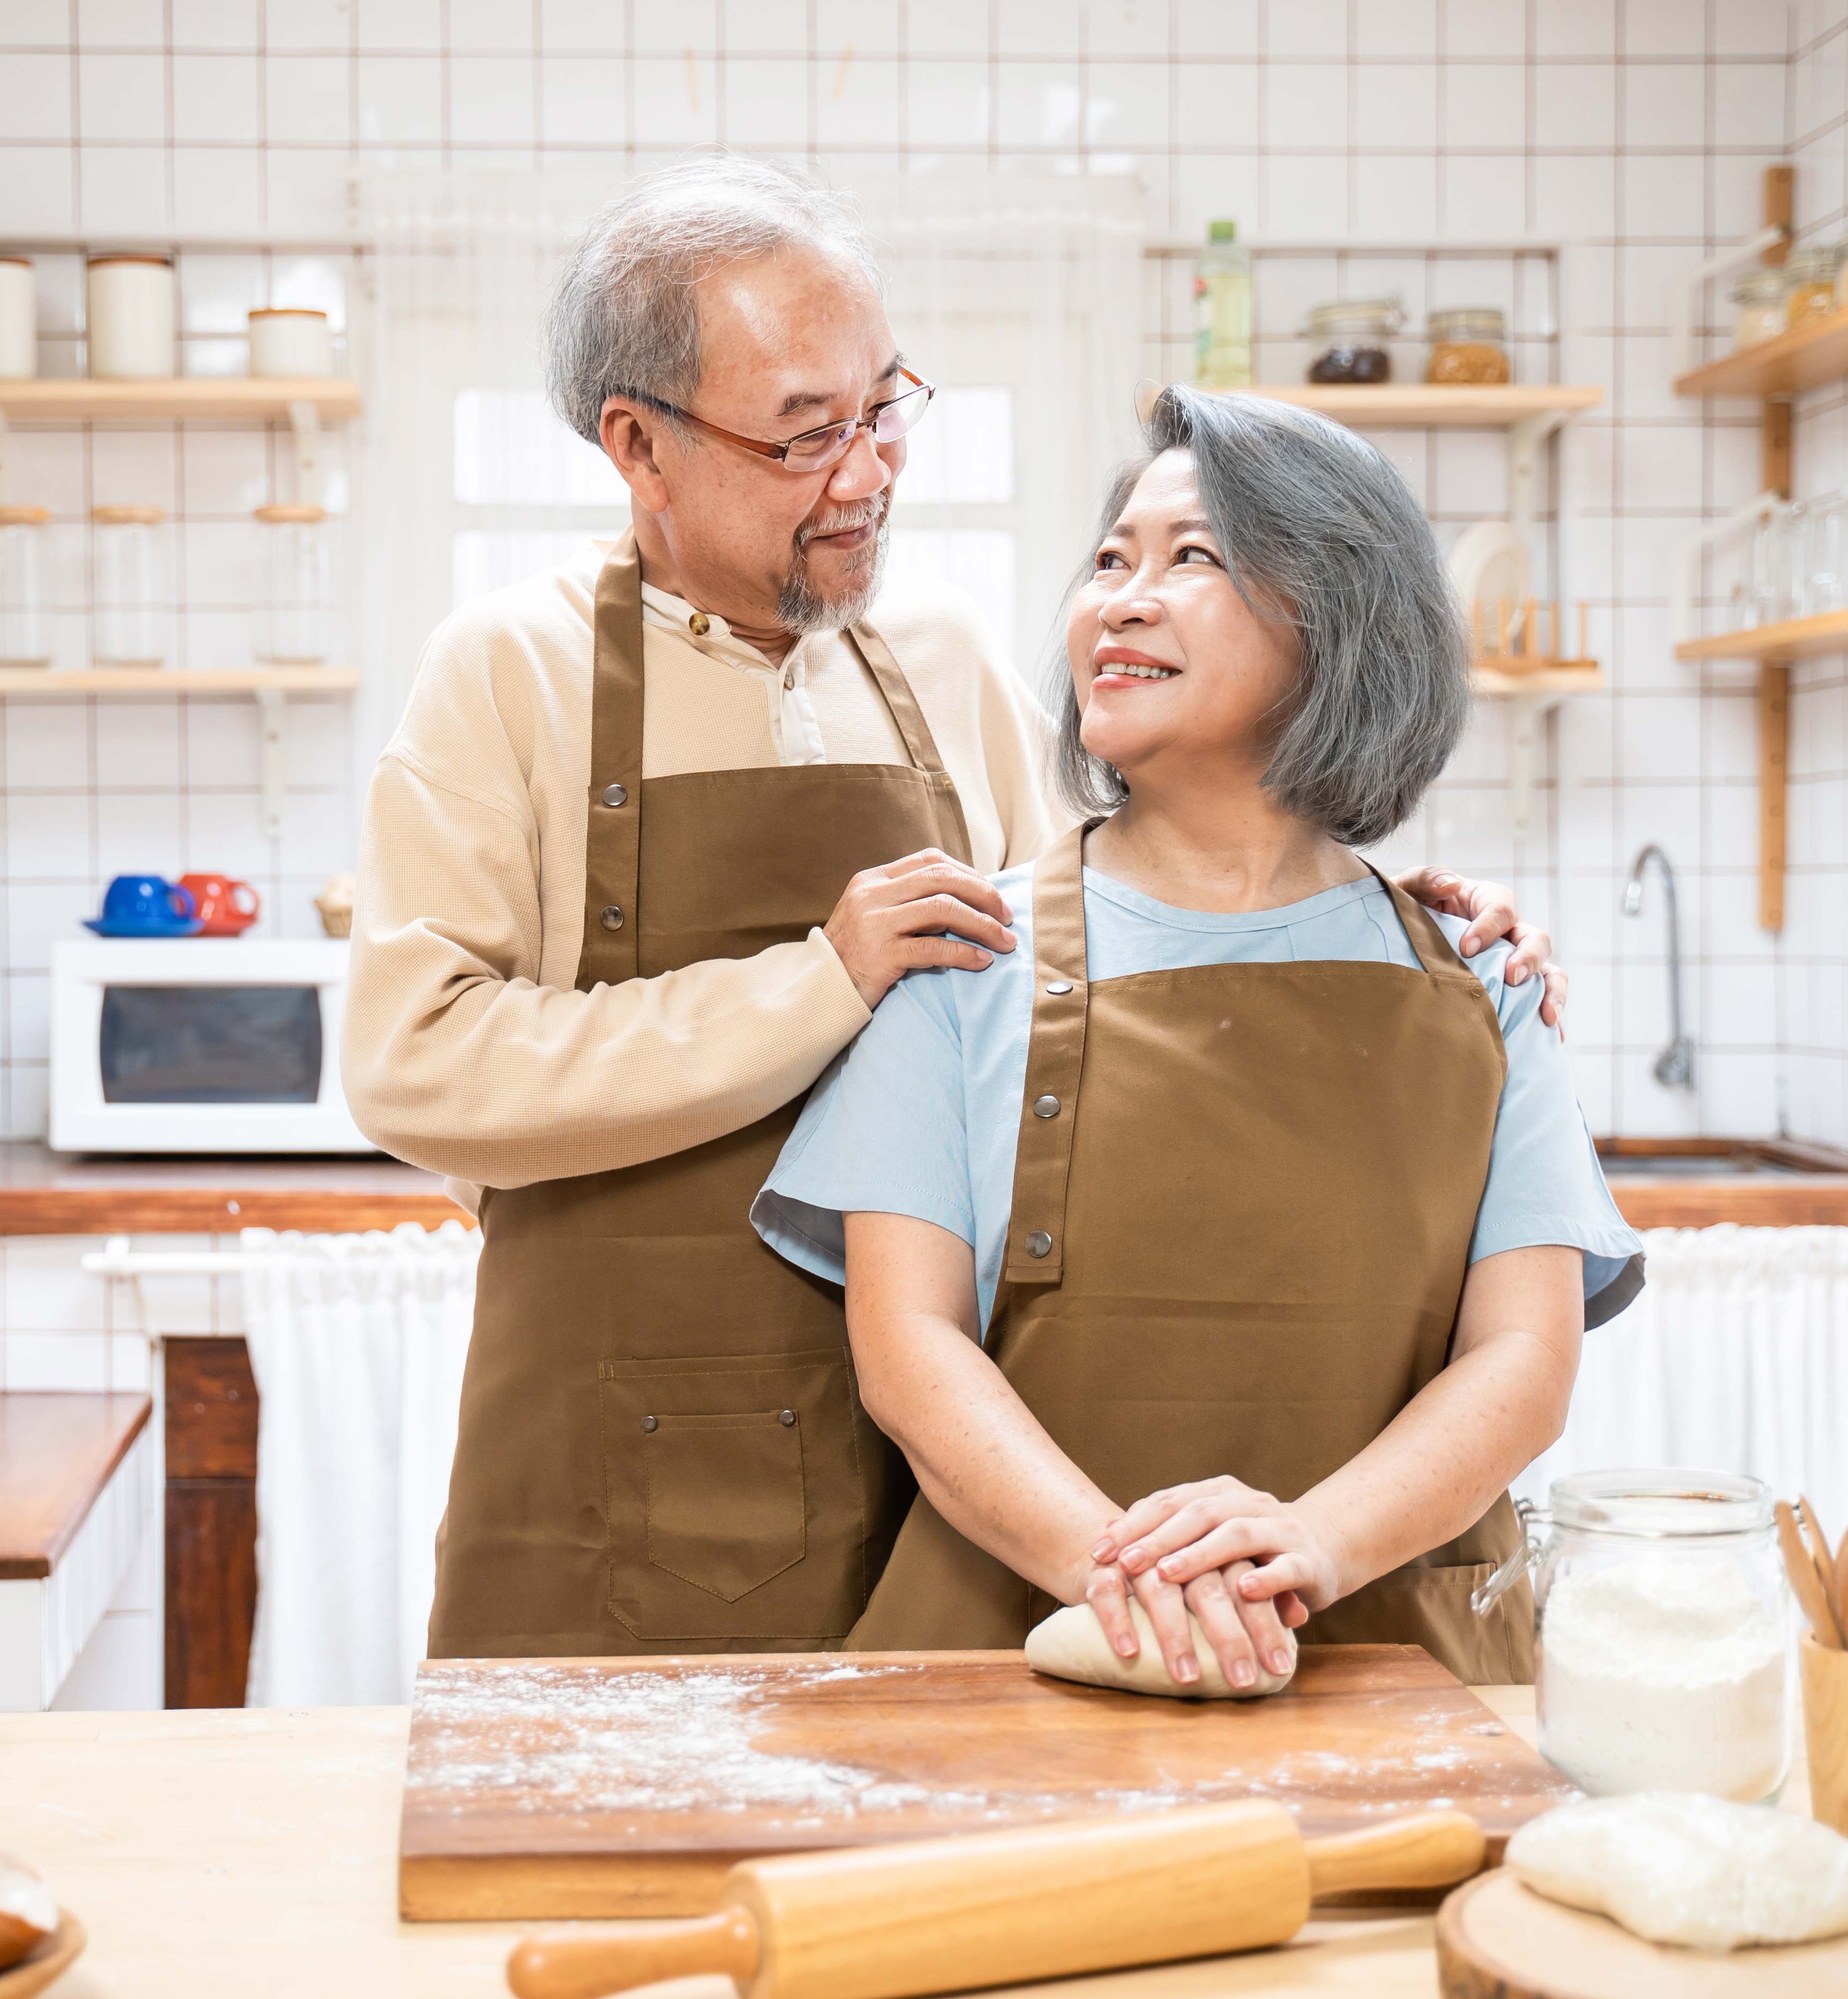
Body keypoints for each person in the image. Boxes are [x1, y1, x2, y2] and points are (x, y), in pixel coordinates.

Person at [343, 158, 1566, 1660]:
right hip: (630, 1432)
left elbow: (1114, 954)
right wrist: (821, 982)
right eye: (806, 436)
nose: (867, 472)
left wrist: (1409, 924)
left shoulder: (932, 655)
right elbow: (415, 1065)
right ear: (639, 445)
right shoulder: (506, 673)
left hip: (959, 1456)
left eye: (884, 408)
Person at [752, 386, 1641, 1688]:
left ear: (1337, 621)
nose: (1121, 594)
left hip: (1382, 1660)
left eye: (1193, 559)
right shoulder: (959, 961)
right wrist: (1131, 1585)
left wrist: (1307, 1544)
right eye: (1110, 558)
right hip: (1025, 1658)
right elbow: (908, 1350)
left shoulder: (1479, 986)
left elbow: (1522, 1360)